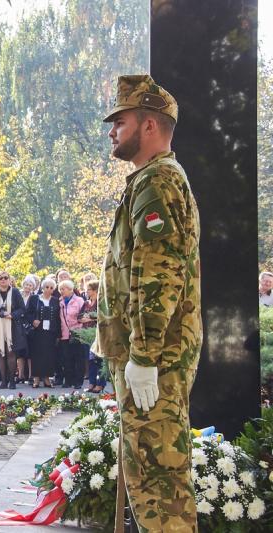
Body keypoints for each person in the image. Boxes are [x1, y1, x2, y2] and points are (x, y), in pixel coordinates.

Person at [98, 74, 201, 531]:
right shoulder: (148, 180)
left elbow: (159, 275)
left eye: (119, 121)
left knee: (159, 484)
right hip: (150, 358)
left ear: (149, 126)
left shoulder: (158, 182)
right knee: (150, 478)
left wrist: (143, 355)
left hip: (154, 360)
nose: (112, 130)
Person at [0, 271, 27, 389]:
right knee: (0, 353)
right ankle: (3, 380)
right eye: (0, 278)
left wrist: (12, 315)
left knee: (11, 352)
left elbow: (22, 309)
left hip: (12, 326)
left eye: (5, 278)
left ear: (9, 280)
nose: (3, 280)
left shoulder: (14, 292)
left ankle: (12, 380)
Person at [26, 278, 60, 388]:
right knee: (36, 354)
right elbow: (27, 313)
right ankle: (36, 378)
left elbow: (57, 317)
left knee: (48, 355)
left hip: (50, 332)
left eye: (51, 288)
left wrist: (58, 333)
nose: (48, 289)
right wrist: (32, 321)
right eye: (47, 287)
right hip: (37, 331)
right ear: (42, 287)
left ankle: (46, 378)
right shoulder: (35, 299)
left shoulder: (55, 300)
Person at [58, 279, 86, 389]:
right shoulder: (60, 302)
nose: (61, 291)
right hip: (65, 333)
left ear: (70, 289)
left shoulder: (79, 300)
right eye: (60, 289)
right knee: (66, 358)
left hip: (77, 332)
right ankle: (68, 380)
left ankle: (78, 381)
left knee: (78, 358)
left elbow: (83, 316)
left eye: (63, 289)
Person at [81, 280, 104, 393]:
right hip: (87, 334)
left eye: (89, 289)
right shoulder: (86, 303)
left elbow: (102, 316)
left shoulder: (101, 302)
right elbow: (80, 316)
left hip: (98, 334)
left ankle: (100, 384)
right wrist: (83, 318)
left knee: (99, 360)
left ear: (95, 290)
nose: (87, 291)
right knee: (90, 360)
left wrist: (90, 318)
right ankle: (91, 383)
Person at [18, 276, 37, 381]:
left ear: (33, 287)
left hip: (30, 327)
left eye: (30, 285)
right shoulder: (18, 295)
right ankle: (20, 375)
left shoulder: (35, 297)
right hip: (19, 326)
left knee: (30, 352)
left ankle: (31, 375)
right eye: (26, 284)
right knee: (20, 352)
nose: (28, 287)